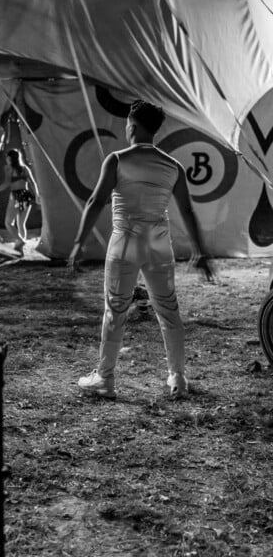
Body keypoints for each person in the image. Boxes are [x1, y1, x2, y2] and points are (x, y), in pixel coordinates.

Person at [67, 99, 213, 401]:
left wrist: (79, 243)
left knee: (115, 310)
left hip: (125, 242)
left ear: (131, 126)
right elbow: (187, 210)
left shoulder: (117, 160)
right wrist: (200, 251)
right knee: (168, 310)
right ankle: (178, 378)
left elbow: (96, 201)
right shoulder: (173, 166)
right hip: (159, 244)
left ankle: (105, 379)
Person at [0, 148, 39, 252]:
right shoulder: (25, 168)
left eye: (7, 158)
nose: (6, 159)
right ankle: (19, 248)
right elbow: (33, 182)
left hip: (16, 196)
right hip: (26, 195)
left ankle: (20, 241)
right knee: (21, 224)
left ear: (10, 158)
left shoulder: (9, 168)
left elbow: (6, 183)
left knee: (8, 223)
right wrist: (37, 195)